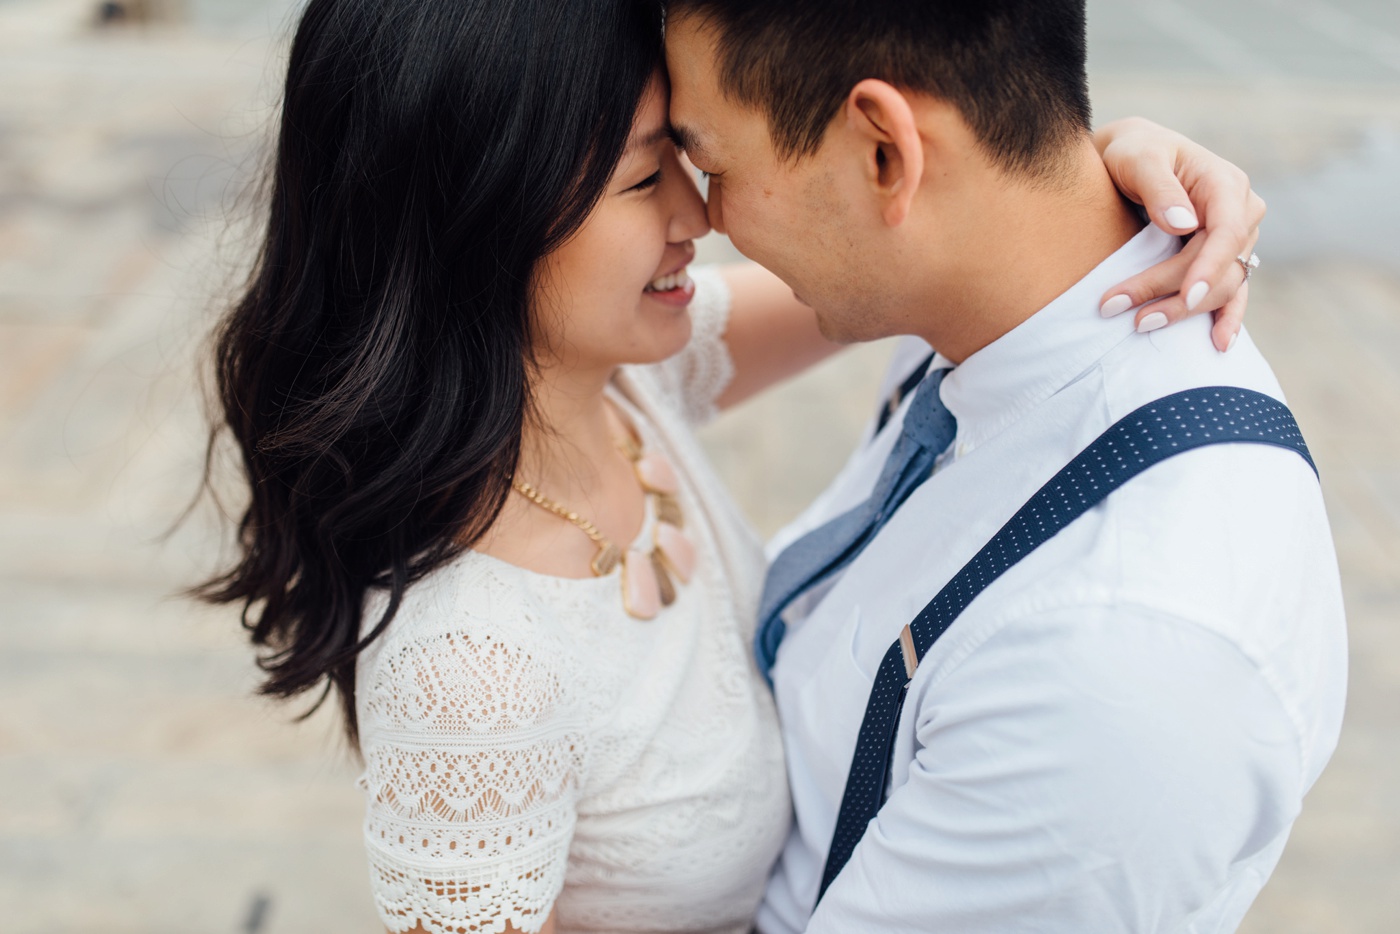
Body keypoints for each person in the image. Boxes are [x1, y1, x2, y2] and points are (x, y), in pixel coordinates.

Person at [197, 0, 1270, 931]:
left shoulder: (616, 386)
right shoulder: (468, 671)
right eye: (641, 178)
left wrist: (1101, 175)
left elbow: (903, 260)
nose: (695, 215)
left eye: (690, 159)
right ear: (477, 217)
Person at [662, 1, 1348, 932]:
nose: (703, 217)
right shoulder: (992, 311)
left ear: (884, 154)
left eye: (712, 163)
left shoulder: (1119, 664)